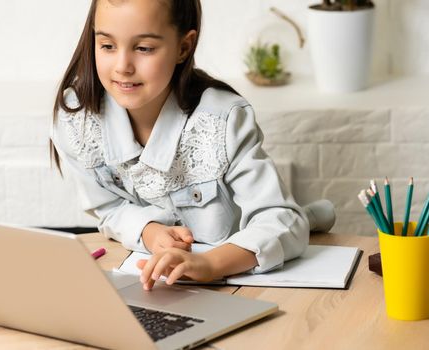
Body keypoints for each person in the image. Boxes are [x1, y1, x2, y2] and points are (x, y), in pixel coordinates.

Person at [50, 0, 309, 291]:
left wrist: (210, 264)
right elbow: (109, 208)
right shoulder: (77, 119)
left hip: (239, 285)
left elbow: (285, 221)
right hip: (154, 286)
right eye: (107, 46)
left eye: (144, 48)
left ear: (184, 47)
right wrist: (149, 231)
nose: (123, 67)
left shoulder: (221, 120)